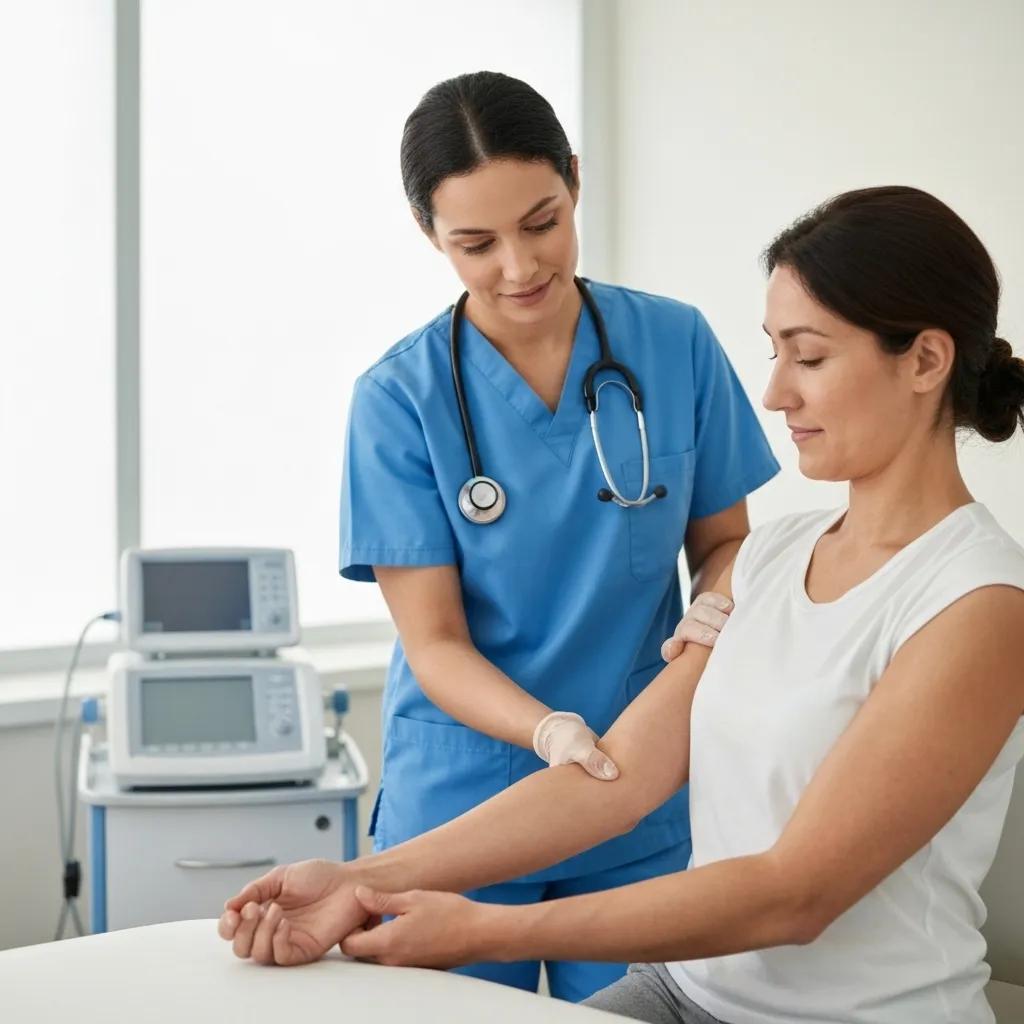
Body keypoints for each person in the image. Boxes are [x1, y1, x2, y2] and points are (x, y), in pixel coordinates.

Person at [221, 186, 1024, 1024]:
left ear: (926, 361)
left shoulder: (976, 604)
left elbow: (796, 894)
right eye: (773, 353)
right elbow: (621, 777)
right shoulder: (774, 556)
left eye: (809, 357)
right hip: (687, 990)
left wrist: (485, 930)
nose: (775, 393)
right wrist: (359, 878)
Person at [333, 71, 779, 1001]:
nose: (518, 266)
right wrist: (545, 730)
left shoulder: (675, 344)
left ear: (574, 180)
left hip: (633, 789)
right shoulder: (398, 400)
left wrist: (719, 612)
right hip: (463, 805)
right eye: (474, 243)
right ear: (429, 234)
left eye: (542, 223)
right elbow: (436, 642)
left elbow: (726, 546)